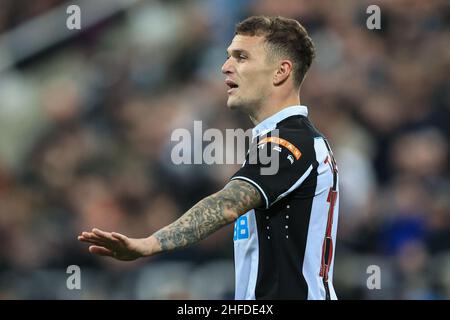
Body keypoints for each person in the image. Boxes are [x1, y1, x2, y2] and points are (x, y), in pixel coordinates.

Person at [78, 15, 339, 300]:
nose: (226, 67)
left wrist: (150, 244)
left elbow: (227, 205)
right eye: (229, 57)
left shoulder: (290, 141)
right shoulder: (282, 140)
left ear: (280, 72)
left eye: (241, 58)